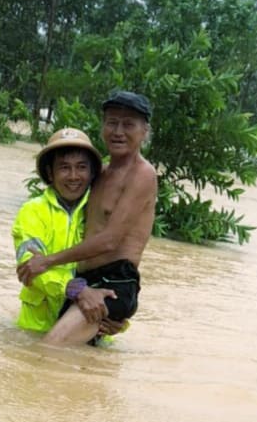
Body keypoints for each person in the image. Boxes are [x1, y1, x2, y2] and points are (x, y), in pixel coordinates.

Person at [17, 91, 158, 347]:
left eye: (128, 124)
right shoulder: (100, 175)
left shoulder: (143, 174)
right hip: (87, 285)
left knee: (48, 350)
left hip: (113, 281)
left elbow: (110, 241)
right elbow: (30, 265)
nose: (118, 131)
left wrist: (49, 261)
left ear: (145, 130)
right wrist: (80, 291)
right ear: (50, 172)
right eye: (112, 122)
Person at [11, 127, 117, 333]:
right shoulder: (32, 211)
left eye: (81, 167)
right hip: (35, 330)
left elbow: (117, 270)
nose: (73, 176)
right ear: (50, 173)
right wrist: (75, 289)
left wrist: (119, 318)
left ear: (92, 172)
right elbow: (29, 268)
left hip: (90, 328)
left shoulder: (102, 212)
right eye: (64, 168)